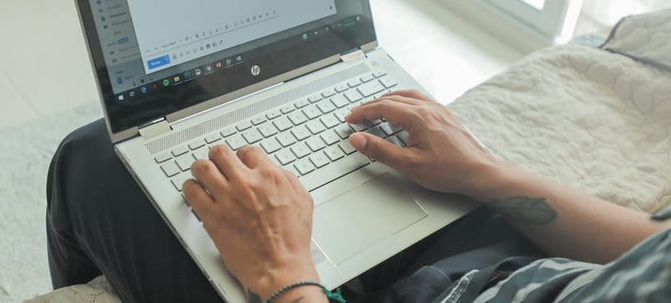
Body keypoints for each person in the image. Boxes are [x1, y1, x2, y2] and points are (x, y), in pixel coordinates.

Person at [46, 90, 671, 303]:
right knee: (374, 157)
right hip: (515, 266)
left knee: (92, 157)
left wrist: (284, 273)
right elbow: (655, 246)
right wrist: (486, 173)